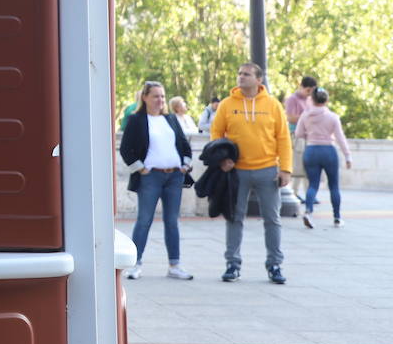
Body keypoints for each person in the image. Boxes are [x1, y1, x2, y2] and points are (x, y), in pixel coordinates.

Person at [210, 62, 292, 284]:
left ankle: (274, 264)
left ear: (259, 80)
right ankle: (232, 264)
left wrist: (285, 169)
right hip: (236, 171)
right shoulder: (227, 104)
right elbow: (216, 132)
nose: (241, 77)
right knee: (234, 217)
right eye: (239, 73)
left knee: (272, 219)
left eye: (246, 74)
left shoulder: (273, 105)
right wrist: (222, 159)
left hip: (267, 170)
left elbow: (283, 138)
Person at [119, 81, 194, 280]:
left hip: (174, 177)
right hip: (150, 177)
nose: (160, 100)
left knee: (172, 221)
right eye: (155, 96)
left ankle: (174, 265)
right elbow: (126, 149)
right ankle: (135, 264)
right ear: (145, 97)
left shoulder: (170, 119)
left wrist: (185, 164)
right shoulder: (137, 120)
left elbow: (184, 145)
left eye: (162, 96)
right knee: (144, 220)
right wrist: (140, 168)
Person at [294, 87, 351, 228]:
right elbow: (340, 137)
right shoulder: (332, 117)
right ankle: (337, 217)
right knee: (334, 186)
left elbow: (298, 133)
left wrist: (310, 134)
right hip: (328, 151)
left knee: (313, 184)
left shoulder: (305, 116)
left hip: (311, 150)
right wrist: (347, 156)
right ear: (326, 100)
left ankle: (308, 211)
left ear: (312, 100)